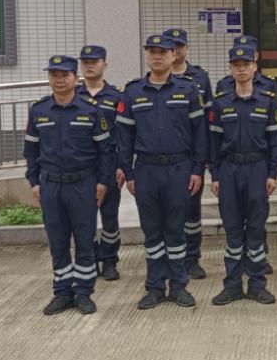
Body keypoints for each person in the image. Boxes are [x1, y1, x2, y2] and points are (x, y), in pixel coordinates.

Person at [116, 33, 207, 310]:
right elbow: (124, 137)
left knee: (176, 230)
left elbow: (199, 134)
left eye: (163, 52)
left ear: (173, 55)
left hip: (179, 169)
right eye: (152, 52)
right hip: (146, 170)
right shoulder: (133, 92)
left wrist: (197, 169)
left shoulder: (188, 90)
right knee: (153, 232)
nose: (157, 56)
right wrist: (129, 173)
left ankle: (178, 286)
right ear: (146, 55)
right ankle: (155, 287)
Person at [25, 55, 114, 316]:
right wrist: (34, 181)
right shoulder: (39, 110)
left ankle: (84, 292)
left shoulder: (90, 110)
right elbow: (30, 151)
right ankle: (62, 292)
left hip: (82, 184)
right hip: (51, 185)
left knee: (84, 240)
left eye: (64, 75)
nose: (59, 80)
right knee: (58, 241)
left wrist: (102, 182)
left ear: (76, 78)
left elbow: (105, 151)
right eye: (54, 75)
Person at [207, 43, 277, 305]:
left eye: (246, 64)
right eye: (236, 65)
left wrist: (272, 173)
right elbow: (213, 143)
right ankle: (232, 285)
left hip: (257, 170)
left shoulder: (268, 102)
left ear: (254, 67)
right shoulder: (220, 104)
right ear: (230, 69)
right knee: (232, 230)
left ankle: (257, 284)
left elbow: (276, 142)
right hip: (229, 171)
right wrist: (215, 175)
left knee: (255, 229)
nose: (241, 69)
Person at [164, 27, 213, 280]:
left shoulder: (200, 78)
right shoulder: (155, 79)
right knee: (168, 211)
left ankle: (192, 259)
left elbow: (209, 118)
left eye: (179, 46)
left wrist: (206, 157)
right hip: (165, 157)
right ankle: (172, 259)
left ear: (186, 48)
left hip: (192, 156)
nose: (176, 50)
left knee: (191, 211)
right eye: (171, 46)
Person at [76, 44, 125, 281]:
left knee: (109, 217)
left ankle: (110, 260)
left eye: (94, 62)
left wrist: (123, 165)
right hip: (82, 168)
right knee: (83, 218)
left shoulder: (116, 97)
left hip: (109, 166)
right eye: (85, 62)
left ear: (104, 64)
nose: (89, 66)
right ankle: (89, 259)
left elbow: (124, 134)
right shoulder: (73, 96)